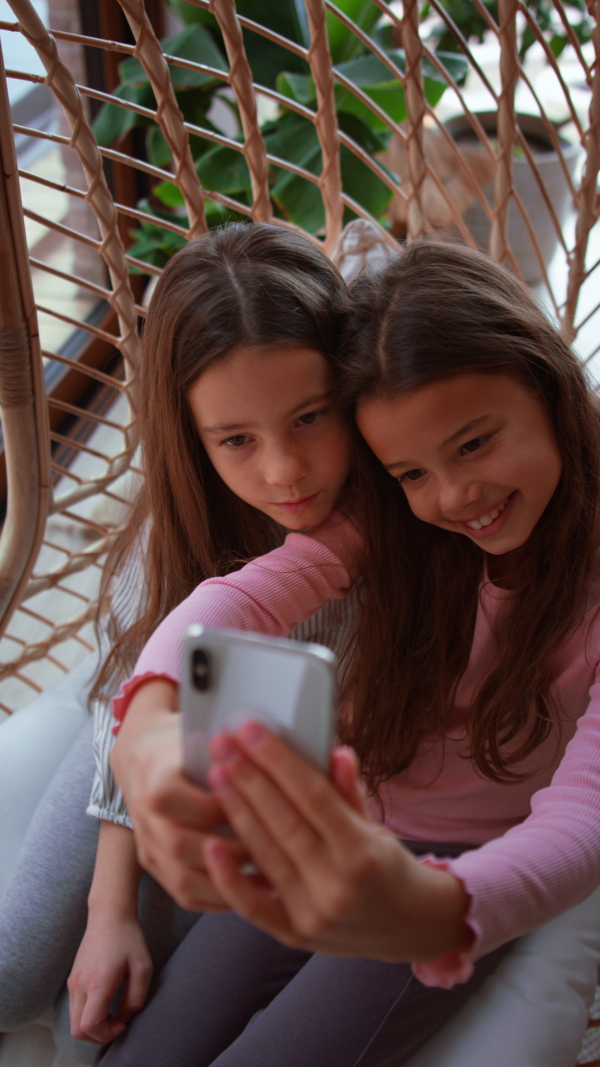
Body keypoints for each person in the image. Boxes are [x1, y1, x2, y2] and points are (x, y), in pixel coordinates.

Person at [87, 238, 600, 1067]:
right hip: (340, 822)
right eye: (410, 472)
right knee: (152, 1045)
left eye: (472, 444)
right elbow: (244, 596)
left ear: (547, 387)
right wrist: (150, 717)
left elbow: (584, 817)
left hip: (461, 865)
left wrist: (438, 907)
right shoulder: (394, 522)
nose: (454, 496)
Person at [0, 221, 362, 1064]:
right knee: (17, 975)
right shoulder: (181, 530)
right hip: (133, 748)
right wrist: (107, 911)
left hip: (264, 780)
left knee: (93, 1037)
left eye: (312, 417)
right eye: (237, 440)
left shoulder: (400, 517)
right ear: (195, 438)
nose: (286, 472)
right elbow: (126, 716)